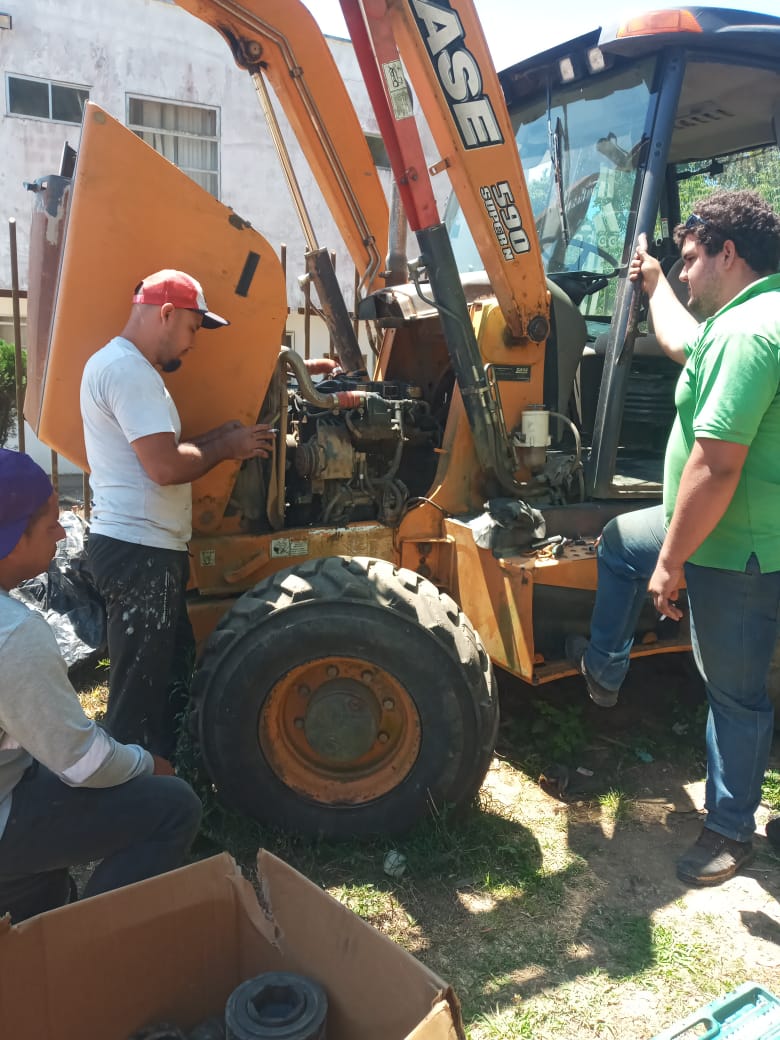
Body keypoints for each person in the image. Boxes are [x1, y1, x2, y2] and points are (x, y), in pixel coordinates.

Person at [567, 190, 780, 886]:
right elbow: (682, 341)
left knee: (736, 695)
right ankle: (605, 665)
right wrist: (654, 283)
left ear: (729, 253)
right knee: (620, 538)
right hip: (746, 528)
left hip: (736, 546)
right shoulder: (750, 319)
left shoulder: (747, 336)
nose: (684, 272)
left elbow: (716, 467)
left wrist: (672, 561)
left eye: (689, 260)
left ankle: (730, 830)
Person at [0, 448, 203, 922]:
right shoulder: (14, 635)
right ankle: (87, 938)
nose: (61, 532)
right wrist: (148, 763)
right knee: (174, 806)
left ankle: (26, 893)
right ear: (9, 542)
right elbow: (82, 764)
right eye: (49, 523)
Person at [80, 269, 275, 759]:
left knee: (167, 679)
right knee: (138, 699)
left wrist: (219, 438)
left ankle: (164, 779)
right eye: (192, 327)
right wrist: (227, 447)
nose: (193, 342)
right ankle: (127, 793)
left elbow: (161, 450)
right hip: (138, 553)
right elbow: (164, 466)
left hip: (145, 549)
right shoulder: (128, 371)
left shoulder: (127, 368)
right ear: (166, 313)